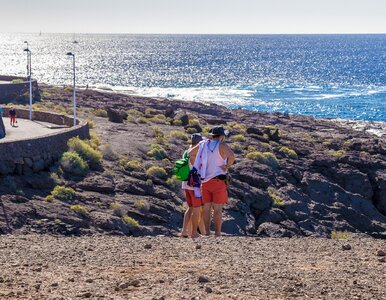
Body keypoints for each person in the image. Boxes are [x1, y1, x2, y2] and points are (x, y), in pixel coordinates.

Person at [190, 126, 235, 236]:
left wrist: (197, 167)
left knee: (206, 208)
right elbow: (232, 156)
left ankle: (208, 232)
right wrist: (227, 166)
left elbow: (191, 153)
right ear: (221, 136)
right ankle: (218, 233)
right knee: (218, 209)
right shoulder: (222, 145)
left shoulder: (204, 144)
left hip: (205, 181)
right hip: (218, 181)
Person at [181, 133, 205, 238]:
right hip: (194, 185)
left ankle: (184, 231)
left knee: (190, 208)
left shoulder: (186, 152)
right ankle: (194, 233)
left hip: (186, 184)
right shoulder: (196, 154)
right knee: (196, 209)